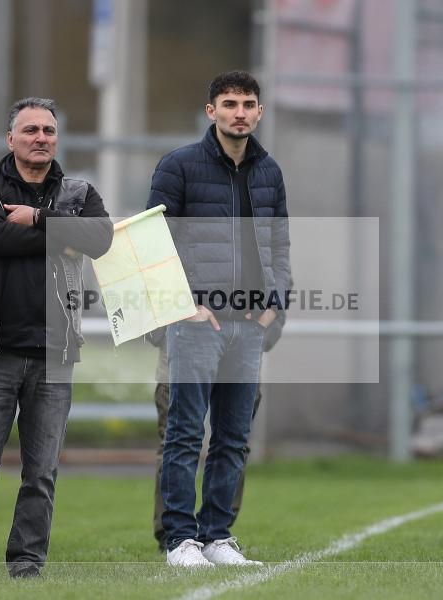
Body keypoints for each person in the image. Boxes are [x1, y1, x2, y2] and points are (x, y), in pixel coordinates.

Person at [0, 97, 112, 579]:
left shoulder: (80, 191)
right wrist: (64, 235)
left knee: (42, 472)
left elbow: (101, 239)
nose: (41, 138)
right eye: (31, 130)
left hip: (57, 353)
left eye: (49, 131)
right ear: (10, 138)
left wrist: (36, 220)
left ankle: (27, 564)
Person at [148, 70, 291, 567]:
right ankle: (179, 541)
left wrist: (275, 304)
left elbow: (279, 245)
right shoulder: (179, 167)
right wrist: (183, 304)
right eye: (229, 103)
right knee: (185, 434)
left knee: (233, 439)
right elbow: (150, 245)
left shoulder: (269, 172)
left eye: (248, 103)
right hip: (194, 325)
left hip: (247, 327)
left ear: (259, 111)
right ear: (211, 111)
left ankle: (217, 537)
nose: (239, 112)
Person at [150, 313, 285, 553]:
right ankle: (176, 537)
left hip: (243, 338)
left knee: (233, 441)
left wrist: (260, 327)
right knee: (180, 436)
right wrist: (184, 312)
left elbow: (278, 277)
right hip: (184, 333)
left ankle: (215, 536)